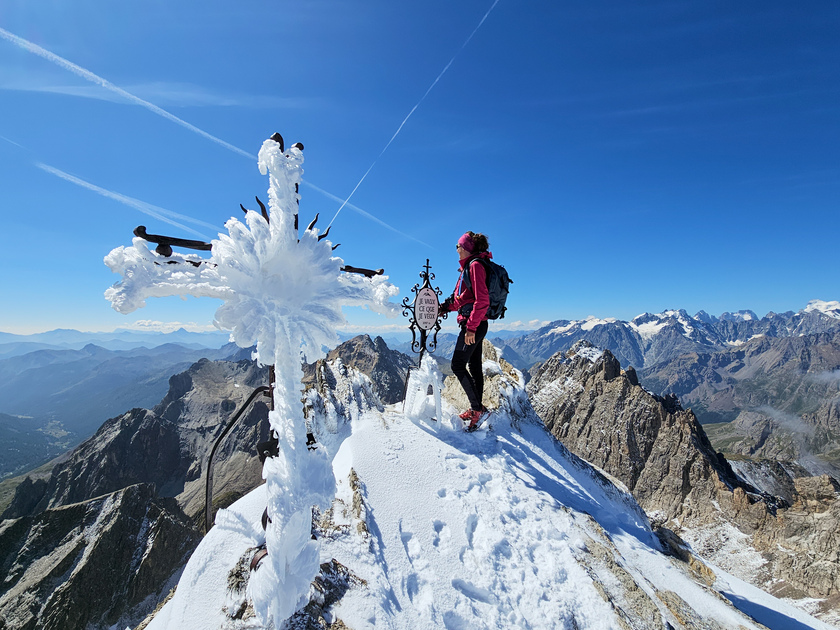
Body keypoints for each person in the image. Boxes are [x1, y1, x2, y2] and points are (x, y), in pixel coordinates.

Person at [440, 231, 492, 430]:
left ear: (467, 248)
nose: (456, 249)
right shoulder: (470, 267)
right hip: (478, 323)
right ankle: (478, 408)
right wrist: (444, 308)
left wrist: (470, 328)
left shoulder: (475, 266)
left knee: (457, 365)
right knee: (474, 366)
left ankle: (476, 410)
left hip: (474, 325)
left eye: (458, 245)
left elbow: (482, 300)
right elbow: (464, 298)